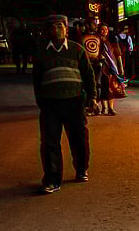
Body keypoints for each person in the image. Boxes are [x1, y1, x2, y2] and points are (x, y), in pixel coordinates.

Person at [32, 15, 96, 193]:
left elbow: (88, 75)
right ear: (47, 31)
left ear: (66, 29)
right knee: (49, 142)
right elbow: (36, 80)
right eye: (52, 27)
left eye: (60, 26)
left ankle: (81, 168)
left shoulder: (77, 50)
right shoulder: (41, 53)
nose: (56, 30)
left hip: (74, 101)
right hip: (50, 104)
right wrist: (41, 100)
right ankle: (52, 179)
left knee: (79, 139)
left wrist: (92, 96)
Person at [95, 23, 123, 115]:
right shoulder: (96, 41)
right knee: (102, 87)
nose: (105, 31)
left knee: (111, 87)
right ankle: (104, 108)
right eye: (102, 29)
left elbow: (118, 56)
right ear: (99, 30)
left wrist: (120, 68)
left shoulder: (112, 41)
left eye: (106, 29)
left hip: (111, 67)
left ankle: (111, 108)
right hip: (100, 68)